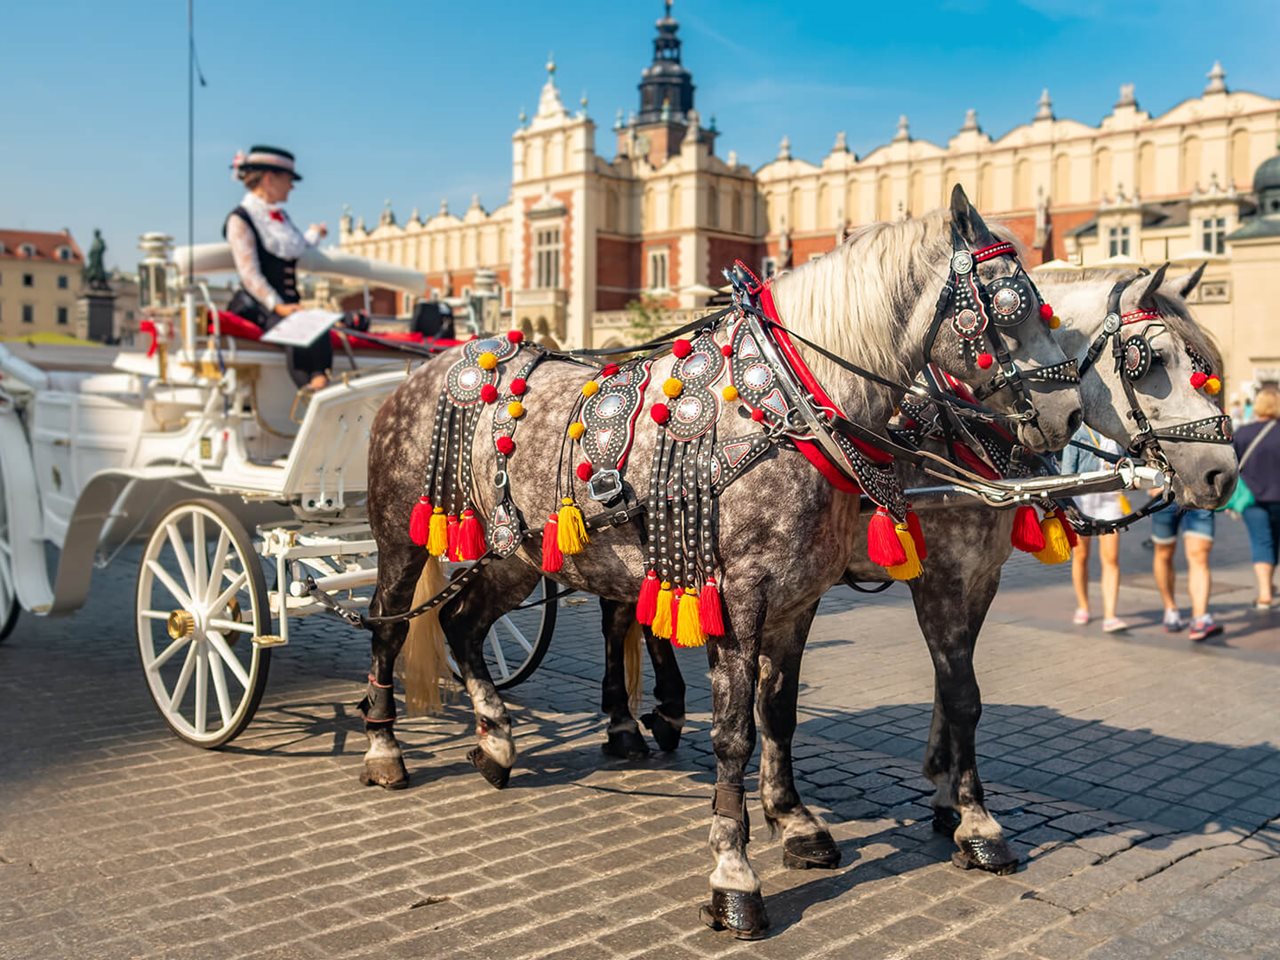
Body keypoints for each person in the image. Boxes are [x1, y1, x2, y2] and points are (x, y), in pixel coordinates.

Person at [224, 145, 332, 389]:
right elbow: (249, 274)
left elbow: (297, 247)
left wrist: (315, 233)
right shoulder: (241, 218)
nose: (292, 186)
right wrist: (278, 305)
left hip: (287, 304)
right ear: (269, 179)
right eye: (289, 180)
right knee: (296, 331)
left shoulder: (280, 218)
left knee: (317, 325)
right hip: (260, 305)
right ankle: (310, 387)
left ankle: (321, 381)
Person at [1062, 424, 1128, 632]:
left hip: (1110, 499)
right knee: (1081, 556)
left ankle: (1110, 615)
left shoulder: (1118, 431)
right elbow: (1067, 473)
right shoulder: (1078, 433)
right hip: (1082, 500)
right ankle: (1083, 606)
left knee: (1111, 558)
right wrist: (1067, 508)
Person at [1234, 386, 1280, 610]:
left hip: (1251, 498)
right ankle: (1269, 585)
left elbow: (1233, 465)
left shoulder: (1242, 433)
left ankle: (1264, 594)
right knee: (1275, 542)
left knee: (1261, 541)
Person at [1150, 503, 1221, 641]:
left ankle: (1200, 619)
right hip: (1165, 495)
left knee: (1199, 555)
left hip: (1200, 494)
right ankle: (1170, 608)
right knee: (1164, 553)